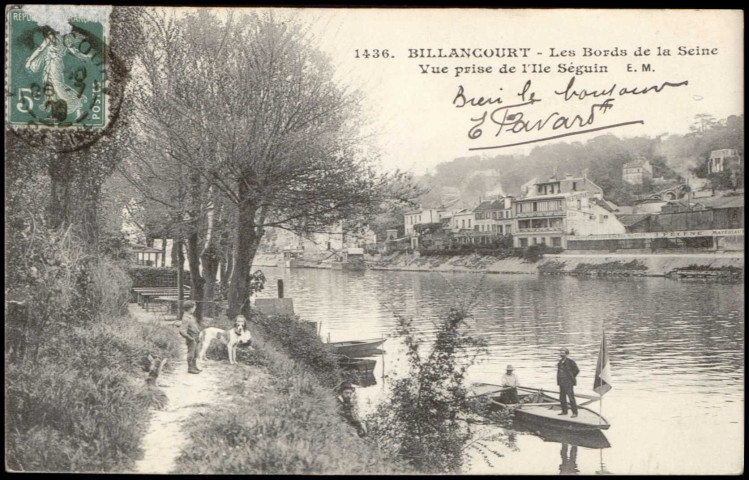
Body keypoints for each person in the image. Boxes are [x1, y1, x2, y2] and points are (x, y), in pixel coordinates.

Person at [178, 301, 201, 374]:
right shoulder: (186, 318)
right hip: (191, 338)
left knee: (196, 353)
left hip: (196, 337)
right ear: (190, 309)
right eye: (194, 307)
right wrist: (189, 338)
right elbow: (182, 330)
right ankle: (190, 368)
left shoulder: (190, 316)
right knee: (191, 353)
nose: (195, 309)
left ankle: (194, 366)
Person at [557, 347, 580, 417]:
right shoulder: (560, 362)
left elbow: (577, 370)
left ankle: (575, 413)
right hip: (561, 382)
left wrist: (571, 377)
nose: (561, 354)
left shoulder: (570, 361)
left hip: (568, 382)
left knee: (571, 398)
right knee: (562, 397)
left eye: (563, 353)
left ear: (566, 354)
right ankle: (564, 411)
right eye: (560, 352)